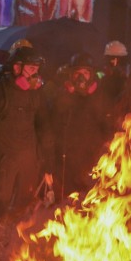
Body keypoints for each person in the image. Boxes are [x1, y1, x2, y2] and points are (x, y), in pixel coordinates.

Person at [0, 45, 55, 225]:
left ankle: (18, 248)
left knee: (25, 207)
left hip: (28, 162)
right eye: (31, 68)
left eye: (37, 70)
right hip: (2, 162)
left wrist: (46, 160)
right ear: (17, 68)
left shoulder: (37, 94)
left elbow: (44, 127)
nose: (35, 74)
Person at [52, 52, 111, 199]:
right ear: (70, 75)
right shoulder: (61, 97)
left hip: (91, 162)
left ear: (92, 75)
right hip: (66, 164)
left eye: (85, 73)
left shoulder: (101, 99)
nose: (81, 78)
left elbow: (109, 130)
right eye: (77, 73)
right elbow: (52, 130)